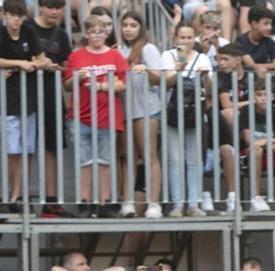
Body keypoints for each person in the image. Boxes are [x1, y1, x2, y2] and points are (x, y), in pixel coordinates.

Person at [0, 0, 47, 212]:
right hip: (6, 102)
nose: (16, 20)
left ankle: (18, 195)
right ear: (5, 15)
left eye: (19, 16)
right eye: (12, 15)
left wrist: (30, 65)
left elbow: (42, 59)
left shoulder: (28, 31)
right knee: (13, 151)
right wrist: (18, 64)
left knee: (26, 151)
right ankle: (8, 194)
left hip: (28, 101)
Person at [63, 14, 128, 218]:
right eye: (92, 32)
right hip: (80, 114)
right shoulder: (76, 56)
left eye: (100, 31)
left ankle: (104, 202)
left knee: (105, 160)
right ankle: (85, 201)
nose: (96, 35)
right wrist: (76, 77)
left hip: (107, 114)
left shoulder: (116, 55)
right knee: (84, 160)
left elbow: (122, 84)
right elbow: (66, 85)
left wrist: (100, 86)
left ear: (105, 33)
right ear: (86, 34)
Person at [117, 11, 165, 219]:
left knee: (149, 155)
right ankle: (127, 202)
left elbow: (159, 78)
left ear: (141, 28)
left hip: (146, 107)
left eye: (133, 25)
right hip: (125, 107)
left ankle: (154, 203)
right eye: (125, 25)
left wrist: (146, 69)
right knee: (128, 156)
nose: (128, 29)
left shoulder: (148, 48)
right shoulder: (118, 50)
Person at [161, 23, 211, 218]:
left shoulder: (203, 58)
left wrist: (206, 77)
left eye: (189, 37)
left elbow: (211, 90)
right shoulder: (168, 56)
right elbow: (167, 83)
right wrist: (179, 70)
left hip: (195, 112)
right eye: (182, 37)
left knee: (194, 160)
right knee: (174, 159)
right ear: (176, 39)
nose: (186, 41)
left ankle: (193, 203)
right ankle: (177, 204)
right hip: (173, 112)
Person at [31, 0, 74, 218]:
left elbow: (68, 66)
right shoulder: (28, 27)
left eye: (58, 7)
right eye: (50, 6)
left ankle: (51, 201)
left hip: (53, 97)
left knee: (52, 148)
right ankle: (19, 197)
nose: (54, 11)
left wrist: (59, 68)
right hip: (26, 97)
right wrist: (39, 63)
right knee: (24, 148)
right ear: (40, 6)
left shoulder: (62, 34)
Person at [225, 79, 275, 212]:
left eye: (266, 95)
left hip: (271, 151)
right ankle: (256, 197)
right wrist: (272, 143)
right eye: (259, 94)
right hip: (250, 153)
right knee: (256, 149)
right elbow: (248, 139)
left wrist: (267, 142)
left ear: (273, 97)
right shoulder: (246, 111)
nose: (263, 98)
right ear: (254, 96)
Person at [235, 7, 275, 75]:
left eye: (270, 24)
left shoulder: (270, 42)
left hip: (264, 78)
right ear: (254, 24)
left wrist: (261, 67)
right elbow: (251, 66)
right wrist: (270, 66)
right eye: (266, 24)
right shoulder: (241, 41)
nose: (270, 27)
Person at [49, 251, 127, 271]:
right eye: (81, 264)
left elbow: (121, 270)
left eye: (86, 264)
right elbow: (55, 270)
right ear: (67, 267)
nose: (88, 268)